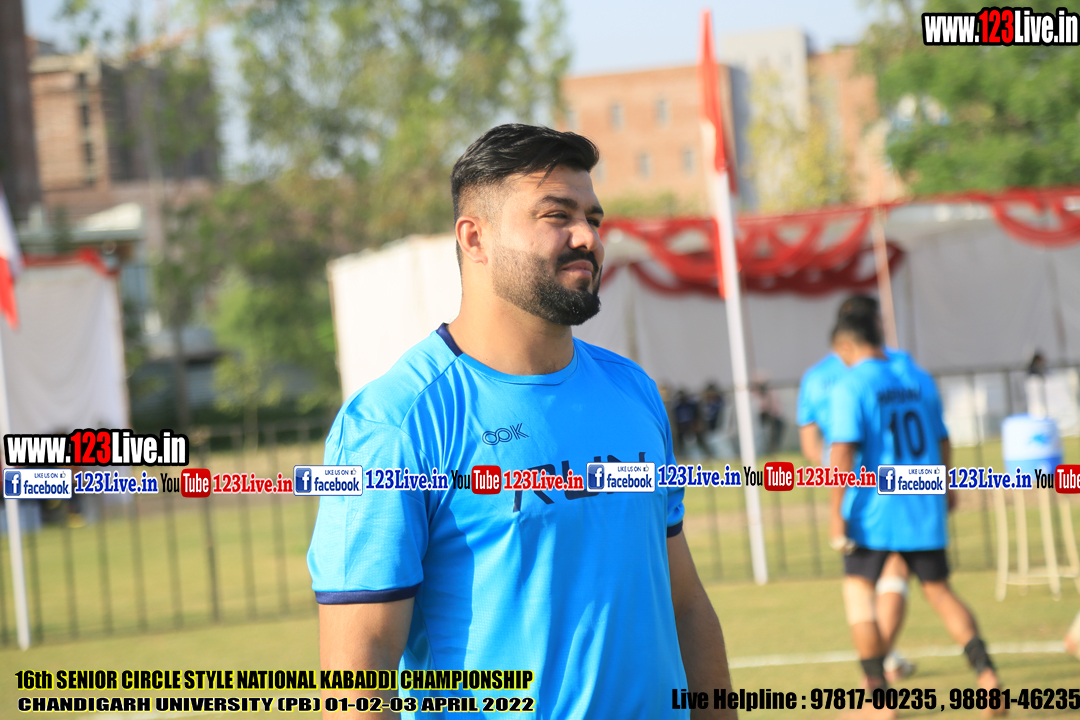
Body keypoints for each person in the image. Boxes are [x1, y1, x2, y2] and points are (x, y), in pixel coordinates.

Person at [309, 124, 735, 719]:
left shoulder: (633, 392)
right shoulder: (396, 424)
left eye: (593, 218)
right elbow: (359, 674)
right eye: (557, 215)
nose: (587, 237)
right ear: (475, 238)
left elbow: (684, 604)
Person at [827, 311, 1004, 719]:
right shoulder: (916, 377)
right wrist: (947, 486)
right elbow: (942, 438)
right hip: (922, 497)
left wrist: (836, 512)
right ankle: (987, 677)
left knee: (858, 595)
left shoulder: (852, 384)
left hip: (876, 506)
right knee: (940, 592)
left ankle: (877, 701)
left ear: (846, 346)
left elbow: (843, 450)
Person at [797, 296, 915, 682]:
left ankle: (877, 677)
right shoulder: (897, 364)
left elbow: (811, 440)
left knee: (860, 587)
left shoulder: (816, 376)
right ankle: (883, 666)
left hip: (851, 489)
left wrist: (834, 477)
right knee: (895, 572)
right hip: (902, 485)